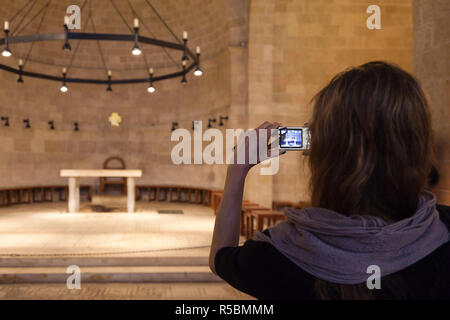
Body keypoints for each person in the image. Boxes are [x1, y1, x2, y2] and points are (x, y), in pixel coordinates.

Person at [209, 61, 450, 300]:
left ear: (322, 156)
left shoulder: (279, 255)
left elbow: (220, 256)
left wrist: (238, 170)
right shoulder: (445, 230)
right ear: (418, 146)